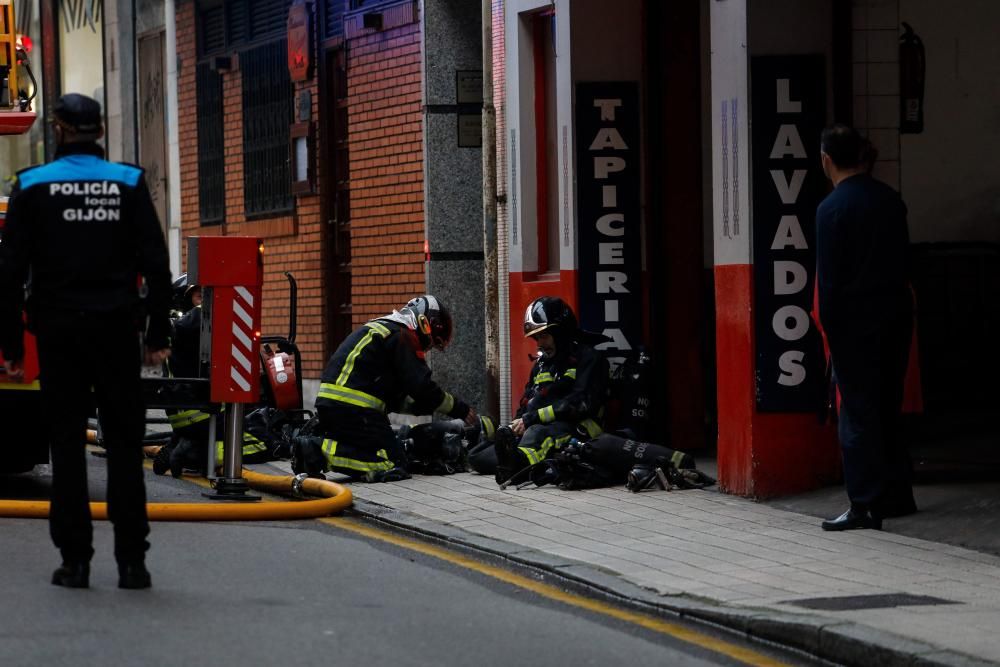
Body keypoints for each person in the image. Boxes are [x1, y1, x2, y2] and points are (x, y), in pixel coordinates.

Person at [0, 93, 172, 587]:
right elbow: (157, 266)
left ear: (57, 129)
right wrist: (156, 334)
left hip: (57, 333)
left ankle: (75, 561)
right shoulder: (129, 181)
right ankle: (132, 563)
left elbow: (9, 274)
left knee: (67, 446)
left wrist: (13, 348)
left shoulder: (31, 186)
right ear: (98, 130)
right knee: (123, 445)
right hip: (116, 330)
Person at [816, 124, 916, 531]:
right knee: (888, 407)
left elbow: (830, 283)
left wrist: (832, 334)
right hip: (895, 316)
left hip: (854, 326)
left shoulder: (831, 209)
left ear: (827, 159)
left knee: (857, 413)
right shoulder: (891, 200)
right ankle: (897, 495)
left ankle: (864, 505)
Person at [293, 295, 477, 481]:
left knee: (371, 450)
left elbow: (397, 399)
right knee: (393, 463)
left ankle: (320, 442)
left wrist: (422, 405)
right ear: (426, 322)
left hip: (337, 407)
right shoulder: (404, 335)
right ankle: (315, 452)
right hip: (356, 411)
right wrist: (459, 409)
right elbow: (422, 387)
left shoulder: (386, 329)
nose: (427, 348)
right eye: (431, 342)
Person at [477, 296, 609, 487]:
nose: (538, 344)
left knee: (537, 435)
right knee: (478, 456)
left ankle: (518, 467)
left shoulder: (590, 359)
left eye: (543, 336)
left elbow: (579, 403)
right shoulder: (543, 364)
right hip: (542, 426)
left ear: (561, 332)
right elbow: (528, 399)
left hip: (579, 430)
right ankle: (515, 461)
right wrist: (517, 424)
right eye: (536, 338)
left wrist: (532, 419)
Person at [152, 274, 271, 477]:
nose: (206, 300)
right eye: (200, 296)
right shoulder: (191, 323)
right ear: (184, 299)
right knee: (264, 440)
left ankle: (181, 442)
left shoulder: (177, 327)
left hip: (185, 417)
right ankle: (194, 453)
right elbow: (211, 311)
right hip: (206, 414)